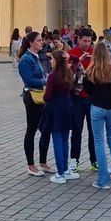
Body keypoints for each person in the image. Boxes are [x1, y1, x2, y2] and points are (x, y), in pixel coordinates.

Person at [83, 41, 111, 190]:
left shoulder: (90, 71)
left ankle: (103, 180)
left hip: (96, 108)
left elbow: (87, 90)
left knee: (99, 142)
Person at [18, 31, 53, 176]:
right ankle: (31, 165)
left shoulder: (37, 57)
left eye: (41, 40)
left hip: (40, 95)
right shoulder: (26, 59)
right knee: (31, 130)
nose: (41, 42)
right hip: (32, 96)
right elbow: (28, 79)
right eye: (38, 40)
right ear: (31, 42)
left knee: (45, 129)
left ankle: (43, 162)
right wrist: (46, 81)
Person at [43, 50, 79, 184]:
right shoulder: (69, 73)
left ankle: (60, 173)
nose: (50, 61)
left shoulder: (52, 76)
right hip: (67, 107)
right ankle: (65, 169)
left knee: (57, 140)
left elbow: (47, 96)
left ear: (57, 61)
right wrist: (70, 56)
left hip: (55, 109)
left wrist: (45, 94)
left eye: (52, 59)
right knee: (65, 140)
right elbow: (76, 61)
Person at [67, 28, 97, 174]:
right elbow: (68, 74)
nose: (87, 44)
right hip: (77, 98)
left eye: (89, 41)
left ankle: (94, 160)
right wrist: (79, 61)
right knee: (77, 129)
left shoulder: (94, 53)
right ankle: (74, 160)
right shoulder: (72, 53)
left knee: (94, 131)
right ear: (78, 39)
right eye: (84, 41)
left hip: (92, 98)